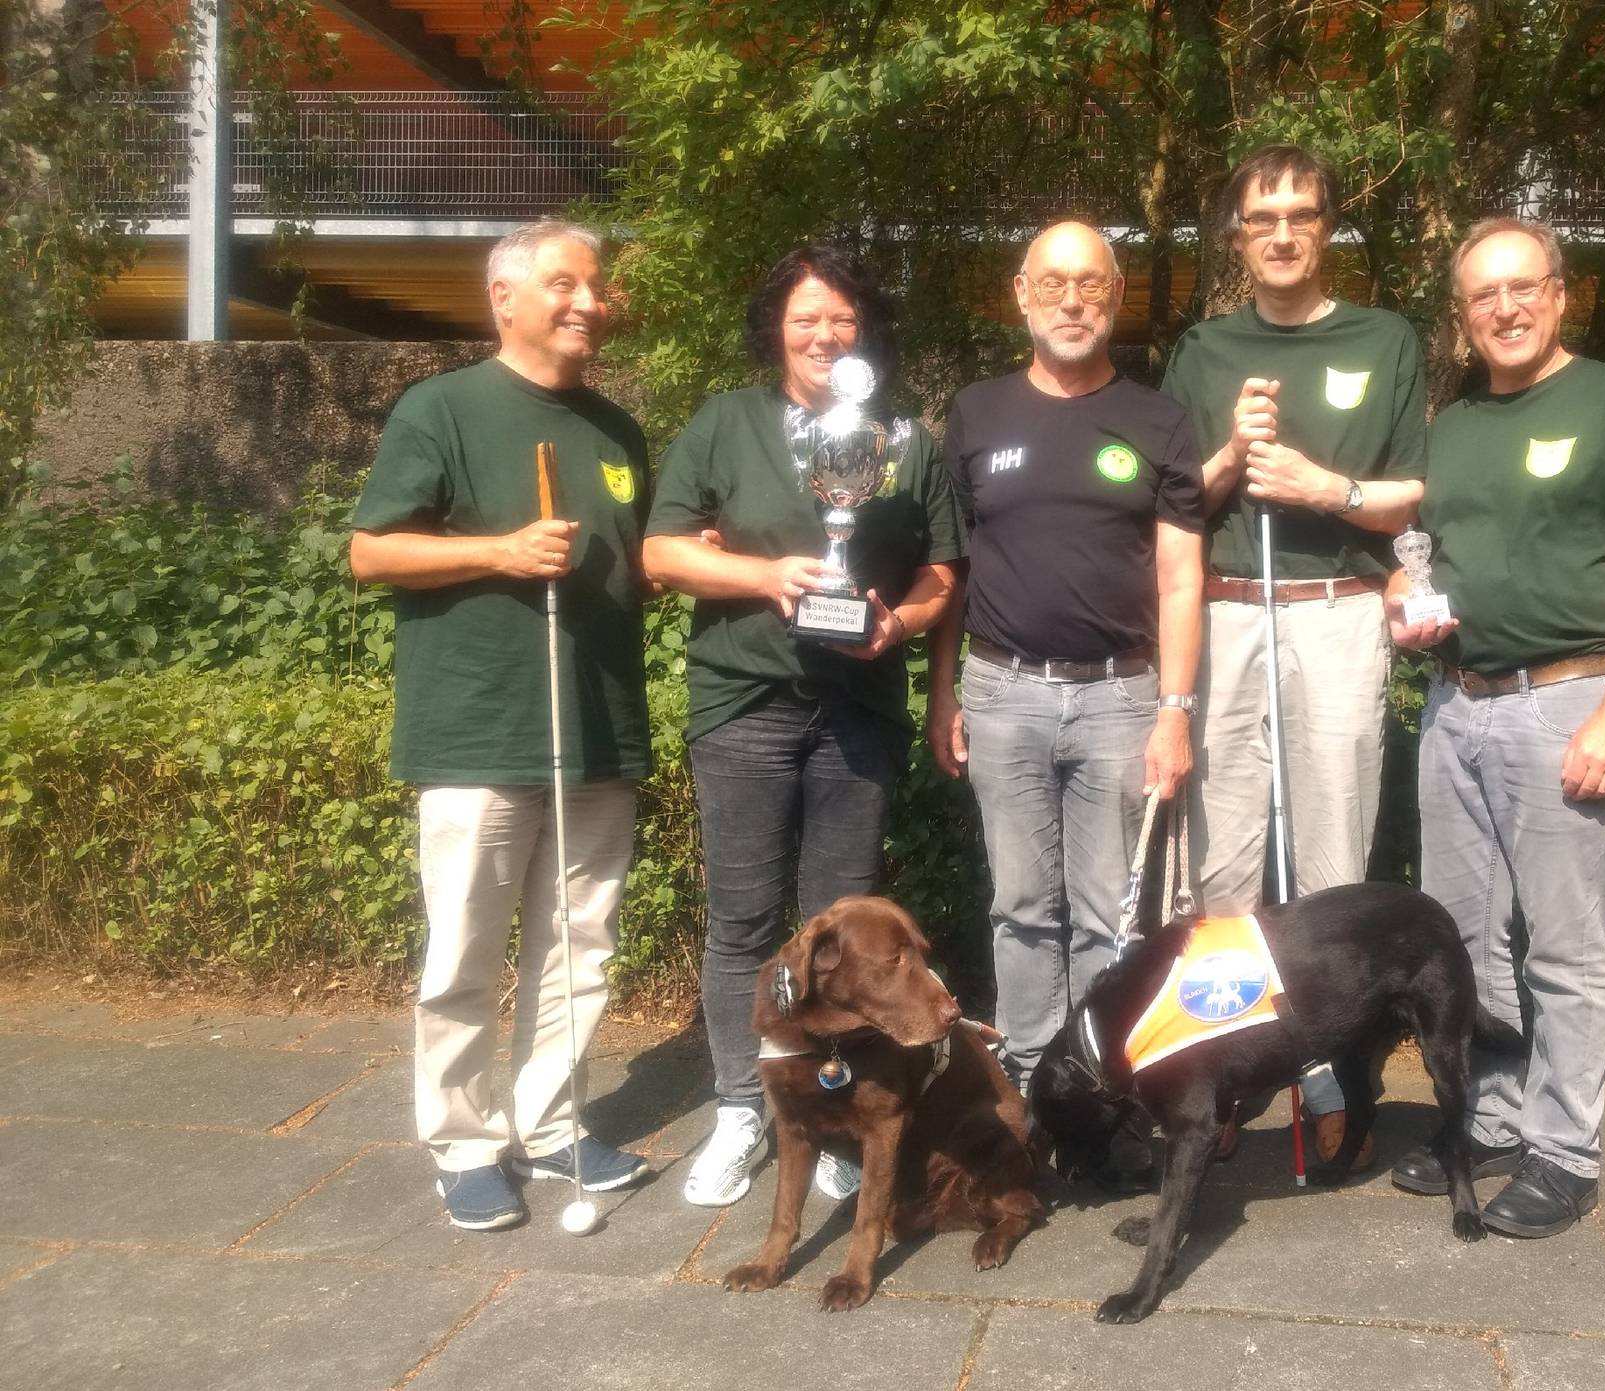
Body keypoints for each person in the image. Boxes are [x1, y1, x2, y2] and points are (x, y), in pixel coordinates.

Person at [1383, 215, 1605, 1238]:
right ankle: (1489, 1119)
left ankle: (1565, 1150)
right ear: (1463, 315)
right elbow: (1422, 558)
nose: (1507, 308)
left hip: (1567, 699)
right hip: (1455, 706)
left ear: (1562, 294)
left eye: (1525, 286)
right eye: (1485, 294)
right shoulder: (1453, 426)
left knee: (1563, 945)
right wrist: (1404, 600)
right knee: (1461, 939)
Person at [642, 245, 965, 1209]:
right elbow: (661, 551)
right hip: (744, 699)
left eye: (842, 318)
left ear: (865, 330)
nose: (825, 333)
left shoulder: (903, 439)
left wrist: (899, 623)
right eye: (805, 317)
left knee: (849, 933)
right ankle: (744, 1105)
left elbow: (943, 572)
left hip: (859, 714)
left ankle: (834, 1111)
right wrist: (765, 575)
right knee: (744, 921)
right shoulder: (725, 422)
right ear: (776, 328)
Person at [348, 219, 653, 1231]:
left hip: (598, 730)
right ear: (505, 298)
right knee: (465, 956)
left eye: (595, 286)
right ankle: (466, 1140)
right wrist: (502, 551)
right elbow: (372, 552)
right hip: (479, 728)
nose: (588, 302)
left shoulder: (617, 430)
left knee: (581, 948)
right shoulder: (441, 408)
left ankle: (553, 1121)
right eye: (564, 283)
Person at [1160, 144, 1428, 1165]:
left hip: (1336, 610)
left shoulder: (1384, 339)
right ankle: (1223, 1069)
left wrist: (1323, 487)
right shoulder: (1204, 349)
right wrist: (1233, 453)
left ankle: (1331, 1068)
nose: (1281, 233)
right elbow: (1173, 506)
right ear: (1237, 236)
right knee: (1221, 863)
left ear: (1326, 227)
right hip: (1228, 609)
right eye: (1262, 217)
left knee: (1331, 860)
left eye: (1301, 215)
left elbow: (1411, 495)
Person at [926, 222, 1206, 1132]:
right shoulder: (976, 413)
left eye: (1090, 283)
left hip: (1123, 698)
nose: (1072, 300)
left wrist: (1175, 710)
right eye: (1053, 283)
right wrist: (942, 689)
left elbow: (1181, 577)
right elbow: (952, 569)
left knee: (1107, 915)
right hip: (1001, 691)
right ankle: (1029, 1097)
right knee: (1019, 907)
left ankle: (1099, 1091)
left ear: (1117, 295)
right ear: (1022, 294)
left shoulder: (1160, 421)